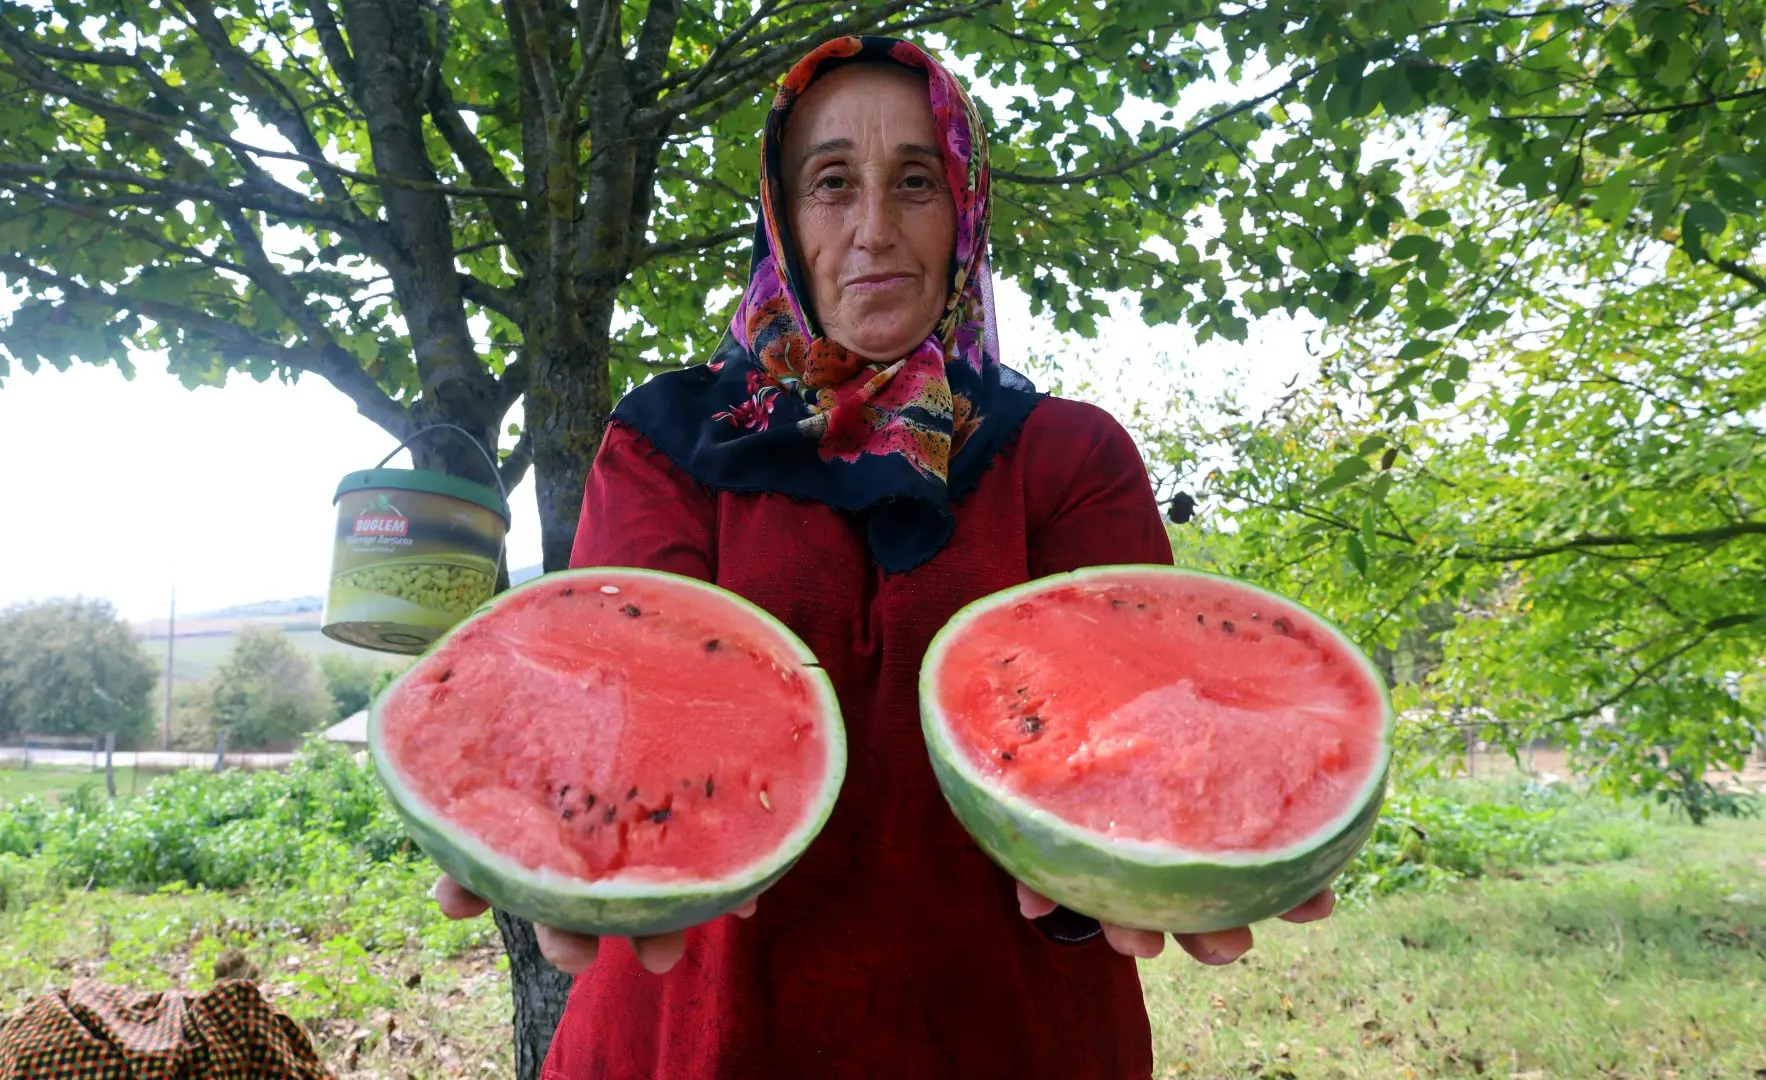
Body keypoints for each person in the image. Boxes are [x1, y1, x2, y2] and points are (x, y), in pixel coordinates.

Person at [435, 35, 1334, 1079]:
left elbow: (1130, 741)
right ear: (781, 215)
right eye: (830, 184)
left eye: (915, 181)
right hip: (697, 1033)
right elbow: (617, 709)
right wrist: (525, 798)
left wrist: (1169, 857)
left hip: (1006, 1035)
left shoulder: (1065, 456)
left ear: (962, 210)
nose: (873, 228)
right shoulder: (667, 442)